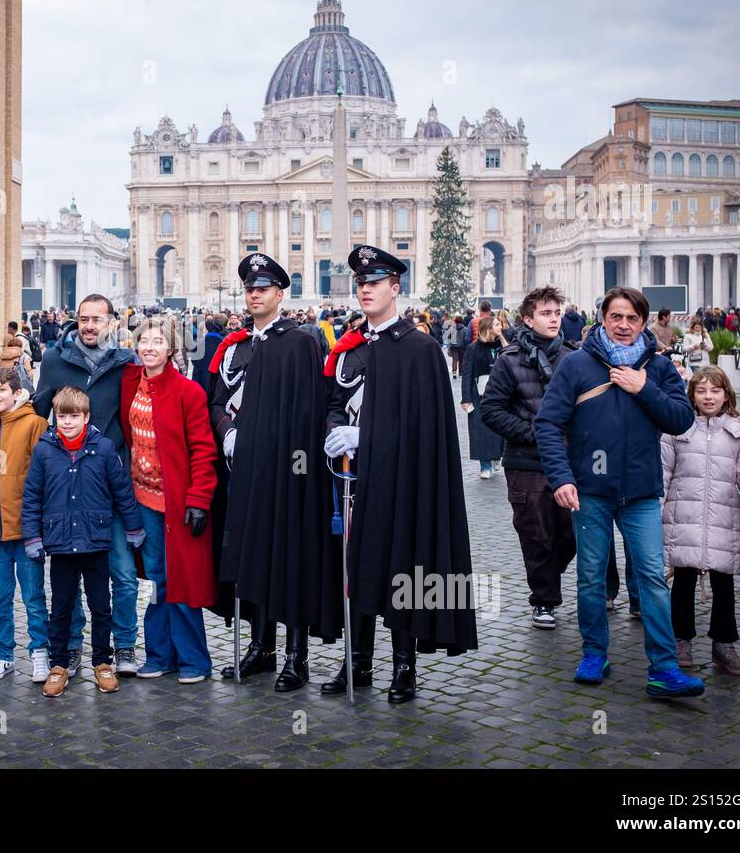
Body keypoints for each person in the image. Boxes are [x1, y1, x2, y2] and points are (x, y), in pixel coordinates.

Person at [324, 245, 478, 701]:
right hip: (353, 484)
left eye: (374, 282)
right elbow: (335, 402)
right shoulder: (351, 346)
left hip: (404, 482)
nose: (365, 289)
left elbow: (421, 428)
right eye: (360, 283)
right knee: (357, 569)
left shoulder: (420, 349)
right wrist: (336, 430)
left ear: (396, 288)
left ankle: (404, 667)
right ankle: (358, 663)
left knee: (401, 569)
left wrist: (363, 437)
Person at [535, 286, 704, 699]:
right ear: (602, 320)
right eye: (616, 317)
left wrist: (642, 387)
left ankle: (663, 667)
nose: (624, 325)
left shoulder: (660, 368)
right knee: (591, 576)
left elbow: (682, 420)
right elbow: (547, 424)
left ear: (644, 323)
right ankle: (594, 652)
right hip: (590, 490)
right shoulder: (576, 364)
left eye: (632, 318)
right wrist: (562, 478)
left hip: (642, 491)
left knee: (650, 577)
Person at [210, 253, 340, 692]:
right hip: (246, 472)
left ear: (279, 295)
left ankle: (295, 656)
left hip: (290, 473)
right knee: (253, 556)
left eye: (262, 288)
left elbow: (307, 411)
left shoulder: (299, 343)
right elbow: (218, 400)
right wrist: (228, 432)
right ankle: (260, 646)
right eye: (249, 288)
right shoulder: (238, 347)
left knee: (290, 560)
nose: (254, 294)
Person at [34, 293, 141, 676]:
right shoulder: (54, 360)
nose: (90, 325)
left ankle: (124, 646)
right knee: (70, 575)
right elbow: (37, 415)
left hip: (113, 486)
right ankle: (75, 647)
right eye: (83, 319)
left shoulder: (127, 364)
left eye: (97, 319)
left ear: (113, 321)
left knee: (123, 575)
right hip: (67, 489)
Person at [22, 387, 144, 697]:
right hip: (61, 543)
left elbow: (122, 492)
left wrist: (133, 528)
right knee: (61, 607)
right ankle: (59, 664)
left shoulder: (103, 449)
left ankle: (103, 662)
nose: (67, 422)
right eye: (61, 416)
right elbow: (32, 495)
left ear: (86, 417)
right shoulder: (45, 450)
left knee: (101, 606)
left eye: (74, 416)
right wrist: (33, 536)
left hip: (95, 542)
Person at [118, 317, 218, 684]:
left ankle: (194, 659)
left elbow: (204, 451)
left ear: (171, 348)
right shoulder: (129, 383)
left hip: (178, 503)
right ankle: (160, 654)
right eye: (143, 340)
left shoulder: (188, 392)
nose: (149, 347)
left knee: (183, 581)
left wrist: (199, 499)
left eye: (157, 341)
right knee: (158, 580)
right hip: (142, 500)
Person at [479, 286, 578, 630]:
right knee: (536, 534)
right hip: (526, 461)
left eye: (556, 313)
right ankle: (544, 601)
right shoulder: (509, 360)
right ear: (528, 318)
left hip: (567, 461)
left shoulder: (572, 357)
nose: (553, 319)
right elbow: (490, 409)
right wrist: (534, 432)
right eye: (546, 313)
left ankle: (549, 576)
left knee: (570, 534)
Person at [661, 366, 740, 676]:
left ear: (726, 395)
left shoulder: (737, 432)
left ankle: (724, 643)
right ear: (691, 394)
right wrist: (656, 507)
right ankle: (681, 640)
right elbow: (662, 473)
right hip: (683, 517)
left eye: (715, 391)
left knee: (724, 581)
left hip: (722, 518)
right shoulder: (677, 429)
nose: (708, 396)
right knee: (684, 580)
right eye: (702, 390)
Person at [0, 366, 51, 683]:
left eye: (1, 390)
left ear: (17, 393)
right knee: (0, 599)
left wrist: (41, 524)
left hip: (26, 531)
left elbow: (44, 478)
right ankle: (3, 655)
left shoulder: (34, 425)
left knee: (33, 596)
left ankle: (40, 654)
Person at [460, 316, 505, 479]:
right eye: (497, 325)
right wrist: (466, 398)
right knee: (480, 429)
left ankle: (497, 456)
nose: (501, 327)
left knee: (500, 426)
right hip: (478, 393)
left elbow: (512, 357)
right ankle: (485, 465)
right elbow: (466, 374)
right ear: (488, 328)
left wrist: (501, 337)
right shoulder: (473, 348)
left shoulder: (501, 345)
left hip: (500, 393)